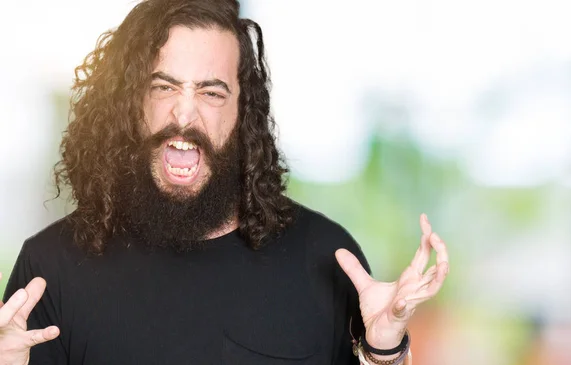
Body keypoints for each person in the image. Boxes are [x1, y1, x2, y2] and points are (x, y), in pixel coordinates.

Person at [0, 0, 449, 364]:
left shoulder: (325, 258)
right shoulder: (50, 267)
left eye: (212, 92)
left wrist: (384, 346)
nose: (184, 113)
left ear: (243, 113)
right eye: (164, 87)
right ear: (130, 103)